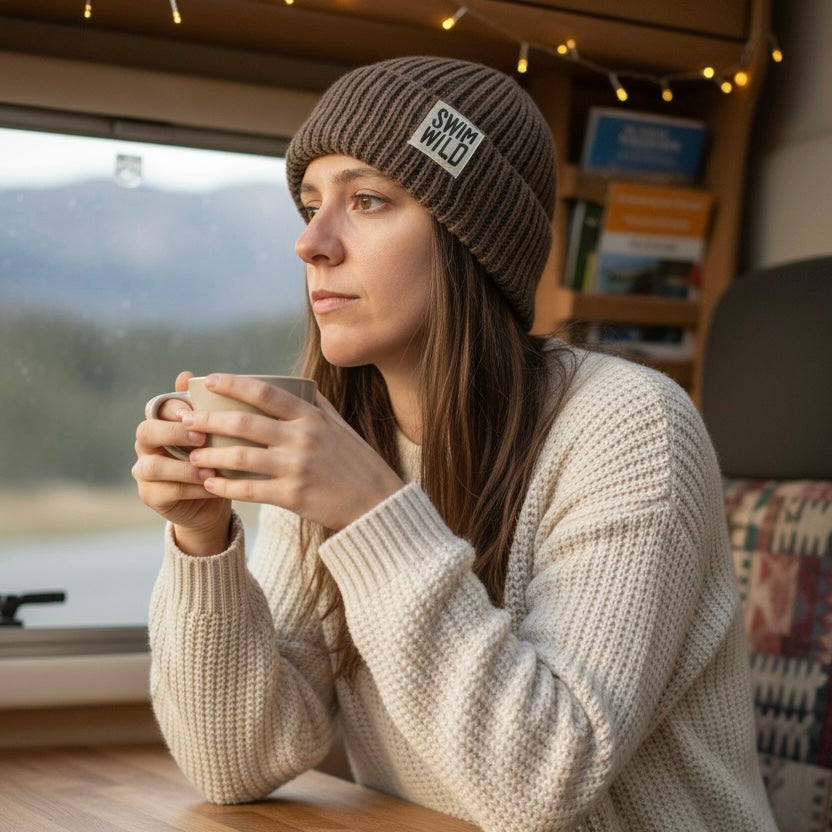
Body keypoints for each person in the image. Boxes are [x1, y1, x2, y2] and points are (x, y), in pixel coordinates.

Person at [133, 56, 778, 831]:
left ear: (473, 240)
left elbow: (541, 783)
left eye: (368, 200)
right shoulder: (339, 435)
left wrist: (371, 509)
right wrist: (202, 543)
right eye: (310, 204)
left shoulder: (632, 426)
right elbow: (233, 763)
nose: (312, 243)